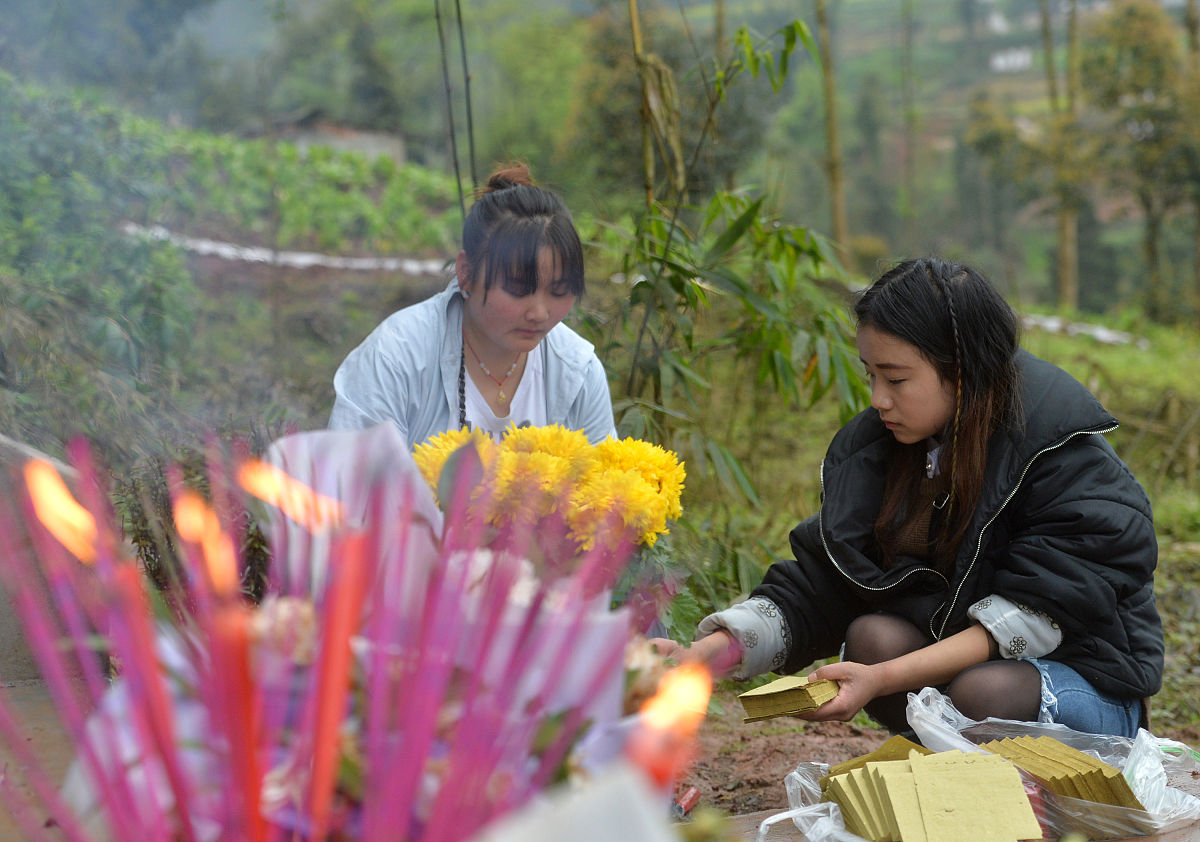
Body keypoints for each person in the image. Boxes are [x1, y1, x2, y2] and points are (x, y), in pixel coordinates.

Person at [655, 257, 1162, 738]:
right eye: (870, 375)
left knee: (980, 692)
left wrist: (882, 680)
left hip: (1086, 684)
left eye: (895, 379)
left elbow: (1024, 625)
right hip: (972, 682)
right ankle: (951, 771)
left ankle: (999, 782)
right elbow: (820, 586)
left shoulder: (1062, 458)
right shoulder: (888, 450)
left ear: (964, 372)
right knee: (874, 638)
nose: (878, 399)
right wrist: (702, 656)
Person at [328, 164, 616, 446]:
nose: (539, 313)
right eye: (518, 289)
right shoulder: (395, 359)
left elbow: (606, 485)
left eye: (560, 291)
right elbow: (351, 484)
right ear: (466, 272)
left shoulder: (578, 373)